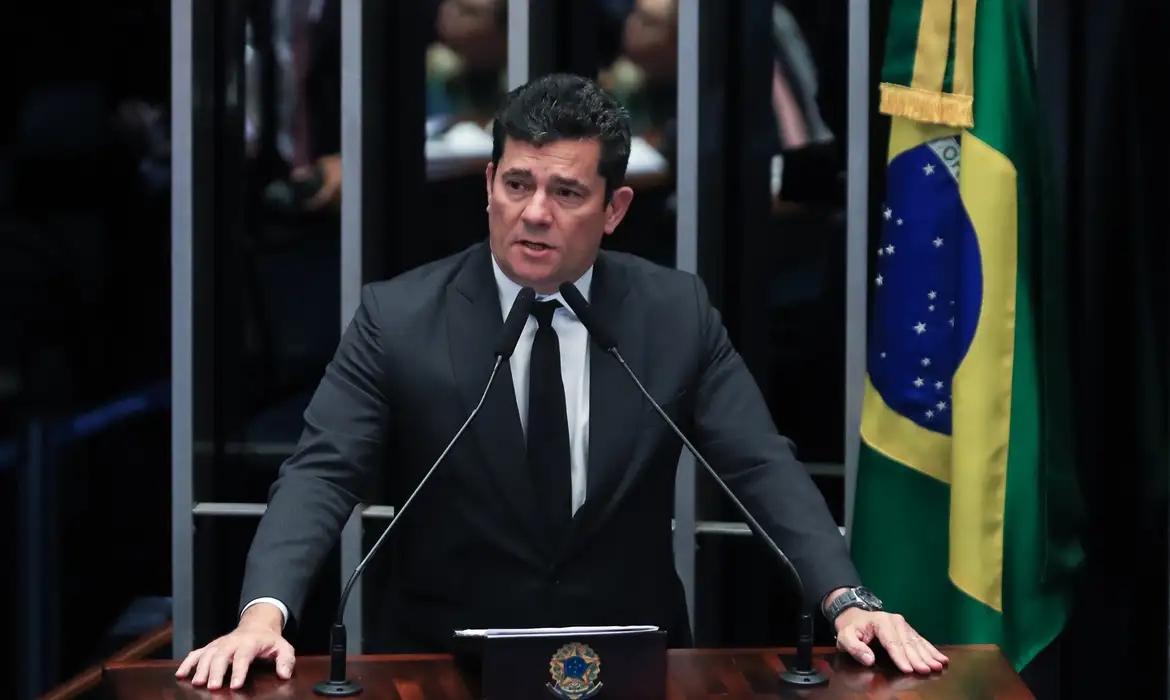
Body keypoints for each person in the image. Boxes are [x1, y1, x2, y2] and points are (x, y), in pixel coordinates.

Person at [176, 73, 949, 691]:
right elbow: (321, 473)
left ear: (614, 209)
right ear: (488, 184)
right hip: (444, 669)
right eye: (517, 185)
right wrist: (263, 614)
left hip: (631, 669)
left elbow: (760, 466)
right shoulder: (399, 318)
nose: (535, 214)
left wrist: (845, 600)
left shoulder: (673, 314)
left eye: (567, 193)